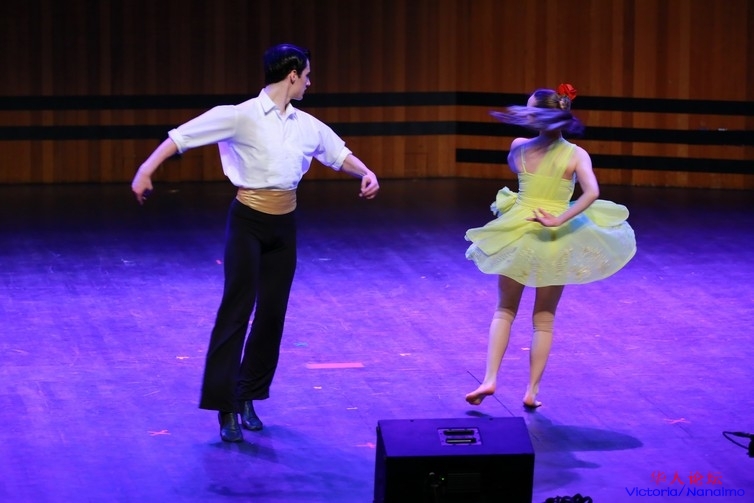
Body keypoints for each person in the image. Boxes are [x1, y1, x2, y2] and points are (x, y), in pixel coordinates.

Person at [131, 43, 380, 442]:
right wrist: (146, 169)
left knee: (272, 315)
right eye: (307, 75)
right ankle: (225, 405)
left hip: (284, 227)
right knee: (237, 310)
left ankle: (247, 394)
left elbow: (337, 153)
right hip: (248, 222)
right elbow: (181, 137)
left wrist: (366, 172)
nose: (310, 82)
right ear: (292, 74)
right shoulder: (240, 116)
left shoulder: (305, 124)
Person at [464, 84, 635, 409]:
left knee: (504, 309)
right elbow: (592, 192)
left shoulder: (519, 147)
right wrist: (559, 219)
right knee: (544, 317)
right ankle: (532, 391)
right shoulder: (576, 154)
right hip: (554, 236)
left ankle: (489, 378)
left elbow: (519, 168)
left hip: (519, 231)